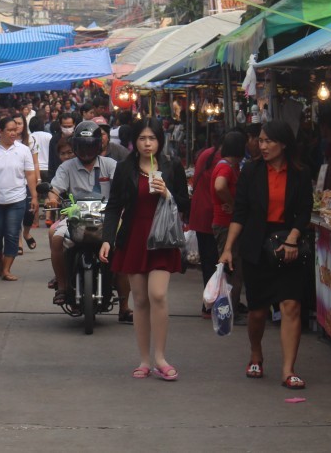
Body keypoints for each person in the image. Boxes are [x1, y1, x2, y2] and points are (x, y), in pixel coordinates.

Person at [219, 120, 314, 390]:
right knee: (258, 311)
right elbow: (240, 213)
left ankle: (288, 370)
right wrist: (228, 249)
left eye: (269, 141)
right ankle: (256, 353)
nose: (263, 146)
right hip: (256, 245)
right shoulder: (251, 170)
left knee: (291, 306)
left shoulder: (300, 172)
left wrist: (294, 238)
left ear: (283, 143)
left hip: (289, 244)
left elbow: (306, 210)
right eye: (260, 141)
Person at [100, 119, 189, 381]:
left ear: (160, 141)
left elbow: (185, 202)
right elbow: (114, 206)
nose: (147, 143)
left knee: (158, 295)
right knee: (139, 300)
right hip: (134, 236)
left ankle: (161, 357)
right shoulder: (125, 168)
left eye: (152, 138)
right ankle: (144, 360)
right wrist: (108, 238)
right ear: (134, 142)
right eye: (142, 138)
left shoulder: (172, 166)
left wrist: (168, 193)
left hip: (162, 237)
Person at [45, 122, 132, 322]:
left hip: (108, 217)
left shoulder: (110, 165)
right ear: (75, 146)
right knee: (54, 236)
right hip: (75, 216)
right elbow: (55, 189)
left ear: (98, 146)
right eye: (81, 146)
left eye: (89, 145)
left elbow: (124, 188)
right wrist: (51, 198)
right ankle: (63, 285)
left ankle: (125, 307)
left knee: (121, 253)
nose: (85, 151)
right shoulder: (66, 167)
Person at [0, 115, 38, 281]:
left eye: (16, 130)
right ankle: (1, 259)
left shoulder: (22, 150)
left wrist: (34, 196)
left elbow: (29, 174)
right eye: (10, 130)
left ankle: (6, 269)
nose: (14, 133)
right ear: (0, 131)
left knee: (12, 234)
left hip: (17, 199)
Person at [211, 131, 247, 316]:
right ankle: (229, 310)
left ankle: (229, 308)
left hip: (225, 222)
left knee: (231, 269)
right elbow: (219, 186)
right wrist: (233, 205)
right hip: (226, 224)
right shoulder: (225, 168)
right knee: (232, 269)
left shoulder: (227, 165)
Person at [189, 134, 222, 317]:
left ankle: (209, 304)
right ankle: (213, 304)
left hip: (201, 213)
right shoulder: (220, 159)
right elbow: (220, 187)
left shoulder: (208, 153)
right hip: (212, 215)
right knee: (215, 263)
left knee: (209, 262)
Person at [13, 114, 41, 252]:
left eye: (20, 123)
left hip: (29, 180)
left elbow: (35, 162)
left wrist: (38, 179)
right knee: (17, 210)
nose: (17, 126)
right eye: (15, 123)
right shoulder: (6, 140)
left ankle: (26, 233)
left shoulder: (30, 140)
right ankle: (18, 240)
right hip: (15, 181)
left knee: (29, 211)